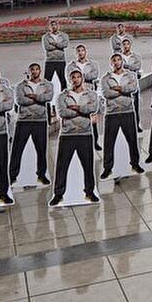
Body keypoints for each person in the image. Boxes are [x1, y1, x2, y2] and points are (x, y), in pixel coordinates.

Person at [50, 69, 100, 206]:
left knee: (88, 164)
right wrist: (83, 110)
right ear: (69, 79)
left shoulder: (91, 94)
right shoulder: (62, 96)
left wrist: (76, 108)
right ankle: (58, 194)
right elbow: (62, 113)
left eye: (78, 77)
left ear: (82, 78)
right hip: (67, 134)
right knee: (62, 165)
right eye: (73, 77)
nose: (76, 79)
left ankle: (90, 191)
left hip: (85, 133)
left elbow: (94, 108)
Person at [100, 54, 144, 179]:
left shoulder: (131, 75)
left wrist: (118, 88)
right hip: (111, 113)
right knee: (109, 142)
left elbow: (133, 88)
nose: (117, 62)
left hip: (127, 111)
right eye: (114, 60)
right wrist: (124, 90)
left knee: (132, 139)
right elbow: (106, 93)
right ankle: (107, 168)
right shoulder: (105, 78)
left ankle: (135, 164)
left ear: (122, 62)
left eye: (119, 60)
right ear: (111, 63)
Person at [10, 63, 53, 186]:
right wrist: (40, 98)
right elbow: (20, 101)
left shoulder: (47, 84)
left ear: (40, 70)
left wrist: (34, 96)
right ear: (29, 72)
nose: (34, 71)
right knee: (17, 149)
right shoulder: (20, 86)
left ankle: (41, 174)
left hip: (40, 121)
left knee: (41, 149)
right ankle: (12, 175)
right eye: (32, 70)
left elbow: (48, 97)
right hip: (24, 121)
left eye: (36, 69)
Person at [66, 44, 101, 150]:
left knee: (93, 120)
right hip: (76, 95)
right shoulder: (71, 66)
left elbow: (94, 75)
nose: (80, 53)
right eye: (78, 51)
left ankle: (95, 142)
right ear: (76, 53)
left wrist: (80, 77)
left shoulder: (93, 64)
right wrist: (85, 76)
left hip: (89, 93)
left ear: (86, 52)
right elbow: (69, 78)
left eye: (82, 50)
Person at [0, 68, 14, 204]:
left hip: (1, 132)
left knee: (2, 165)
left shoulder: (5, 89)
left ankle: (3, 193)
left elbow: (8, 105)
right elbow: (2, 105)